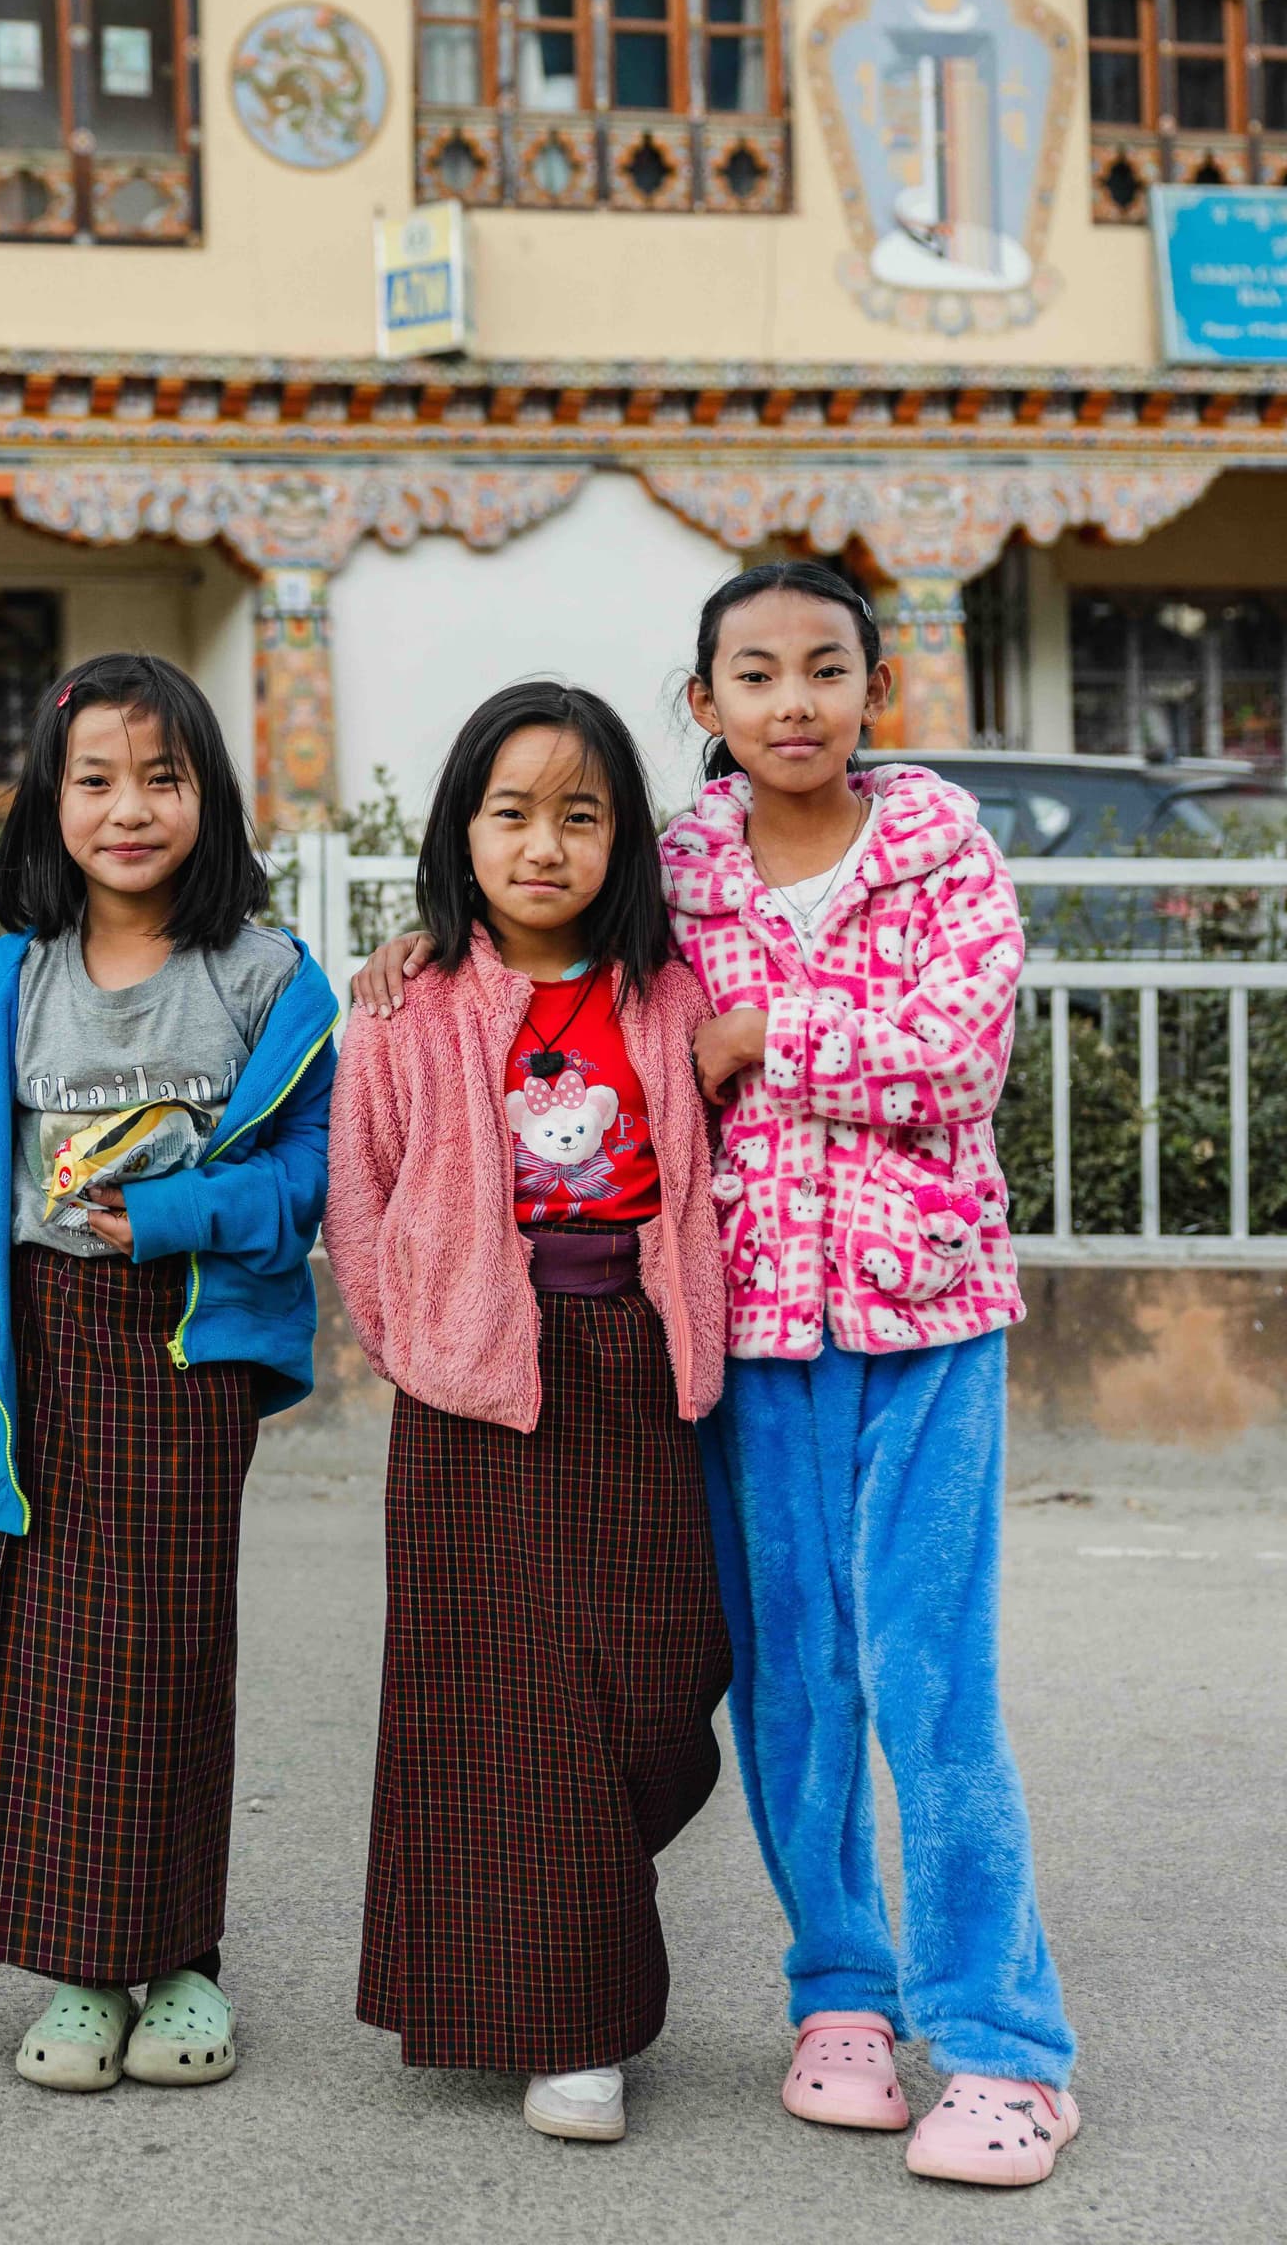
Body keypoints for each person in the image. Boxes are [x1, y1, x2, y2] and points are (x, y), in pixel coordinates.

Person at [355, 572, 1078, 2189]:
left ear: (877, 687)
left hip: (927, 1322)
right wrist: (430, 942)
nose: (795, 700)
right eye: (756, 674)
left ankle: (1006, 2040)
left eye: (827, 668)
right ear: (708, 705)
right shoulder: (676, 860)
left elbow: (960, 1046)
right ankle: (843, 1995)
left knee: (929, 1681)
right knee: (795, 1690)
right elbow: (561, 946)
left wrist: (768, 1039)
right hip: (744, 1335)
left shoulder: (938, 843)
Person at [0, 653, 337, 2097]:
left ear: (210, 794)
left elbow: (317, 1177)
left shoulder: (267, 976)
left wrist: (186, 1213)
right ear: (49, 803)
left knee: (173, 1649)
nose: (130, 809)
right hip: (34, 1348)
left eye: (164, 778)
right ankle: (79, 1967)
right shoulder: (12, 977)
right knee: (50, 1657)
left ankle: (181, 1960)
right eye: (97, 780)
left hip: (181, 1352)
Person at [327, 683, 730, 2148]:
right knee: (508, 1710)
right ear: (463, 830)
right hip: (472, 1382)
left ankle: (566, 1945)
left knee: (660, 1673)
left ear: (623, 838)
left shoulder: (668, 994)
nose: (545, 844)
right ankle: (571, 2028)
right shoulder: (407, 1003)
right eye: (512, 812)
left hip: (638, 1360)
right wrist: (420, 1340)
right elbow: (358, 1197)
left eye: (581, 813)